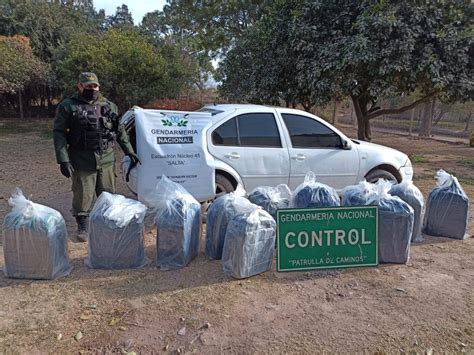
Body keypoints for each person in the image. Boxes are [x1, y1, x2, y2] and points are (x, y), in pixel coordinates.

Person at [53, 72, 140, 242]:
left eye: (94, 86)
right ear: (80, 86)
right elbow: (59, 133)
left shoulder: (109, 106)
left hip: (106, 158)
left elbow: (120, 131)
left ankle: (107, 221)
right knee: (83, 194)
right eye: (87, 86)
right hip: (81, 158)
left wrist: (129, 151)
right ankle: (82, 224)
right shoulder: (68, 107)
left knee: (108, 193)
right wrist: (63, 159)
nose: (92, 89)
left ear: (99, 86)